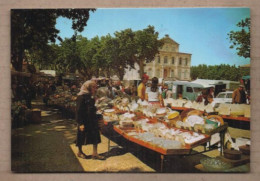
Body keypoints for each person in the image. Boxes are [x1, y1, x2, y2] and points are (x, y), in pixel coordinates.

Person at [75, 80, 105, 160]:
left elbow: (90, 107)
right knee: (81, 136)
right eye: (93, 87)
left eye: (96, 87)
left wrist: (96, 108)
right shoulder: (81, 97)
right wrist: (80, 123)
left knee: (95, 136)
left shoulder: (90, 96)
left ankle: (95, 154)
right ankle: (79, 152)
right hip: (84, 120)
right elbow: (78, 111)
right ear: (88, 88)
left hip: (92, 119)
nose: (95, 89)